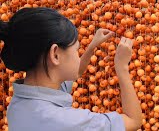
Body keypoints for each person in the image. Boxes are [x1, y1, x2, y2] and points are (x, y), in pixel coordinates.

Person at [0, 7, 142, 131]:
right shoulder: (68, 122)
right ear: (55, 54)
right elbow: (133, 121)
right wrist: (122, 67)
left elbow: (77, 72)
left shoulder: (18, 104)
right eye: (76, 50)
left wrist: (92, 46)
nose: (77, 55)